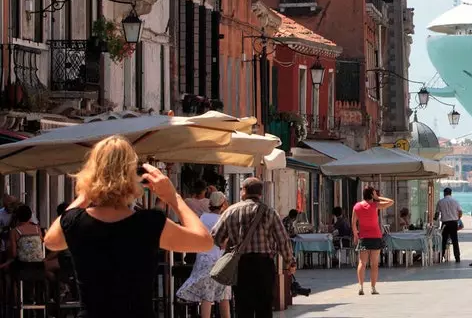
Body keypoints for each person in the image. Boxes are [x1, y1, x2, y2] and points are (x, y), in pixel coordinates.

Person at [44, 135, 214, 318]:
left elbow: (51, 242)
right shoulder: (149, 222)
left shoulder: (75, 221)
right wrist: (174, 198)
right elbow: (204, 242)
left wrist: (85, 195)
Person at [210, 177, 294, 318]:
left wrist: (230, 242)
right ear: (260, 193)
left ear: (244, 191)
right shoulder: (270, 212)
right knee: (264, 307)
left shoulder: (231, 211)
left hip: (241, 265)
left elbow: (216, 237)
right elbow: (283, 241)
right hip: (264, 265)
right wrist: (290, 262)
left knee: (243, 308)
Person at [176, 191, 233, 318]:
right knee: (224, 296)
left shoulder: (202, 218)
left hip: (204, 259)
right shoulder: (224, 219)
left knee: (206, 297)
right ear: (223, 204)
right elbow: (225, 243)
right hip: (221, 262)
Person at [351, 186, 393, 295]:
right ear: (371, 195)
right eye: (374, 193)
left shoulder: (357, 206)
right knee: (374, 264)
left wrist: (356, 235)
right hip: (375, 236)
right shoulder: (375, 205)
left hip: (363, 237)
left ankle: (360, 286)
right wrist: (378, 197)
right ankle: (373, 288)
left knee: (362, 262)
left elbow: (353, 223)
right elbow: (391, 202)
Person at [436, 187, 464, 263]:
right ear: (451, 193)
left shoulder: (440, 202)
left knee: (443, 240)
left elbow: (437, 214)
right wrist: (458, 218)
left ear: (444, 193)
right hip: (453, 223)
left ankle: (441, 257)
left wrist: (434, 219)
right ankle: (457, 257)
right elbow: (460, 211)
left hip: (445, 223)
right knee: (455, 240)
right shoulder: (455, 201)